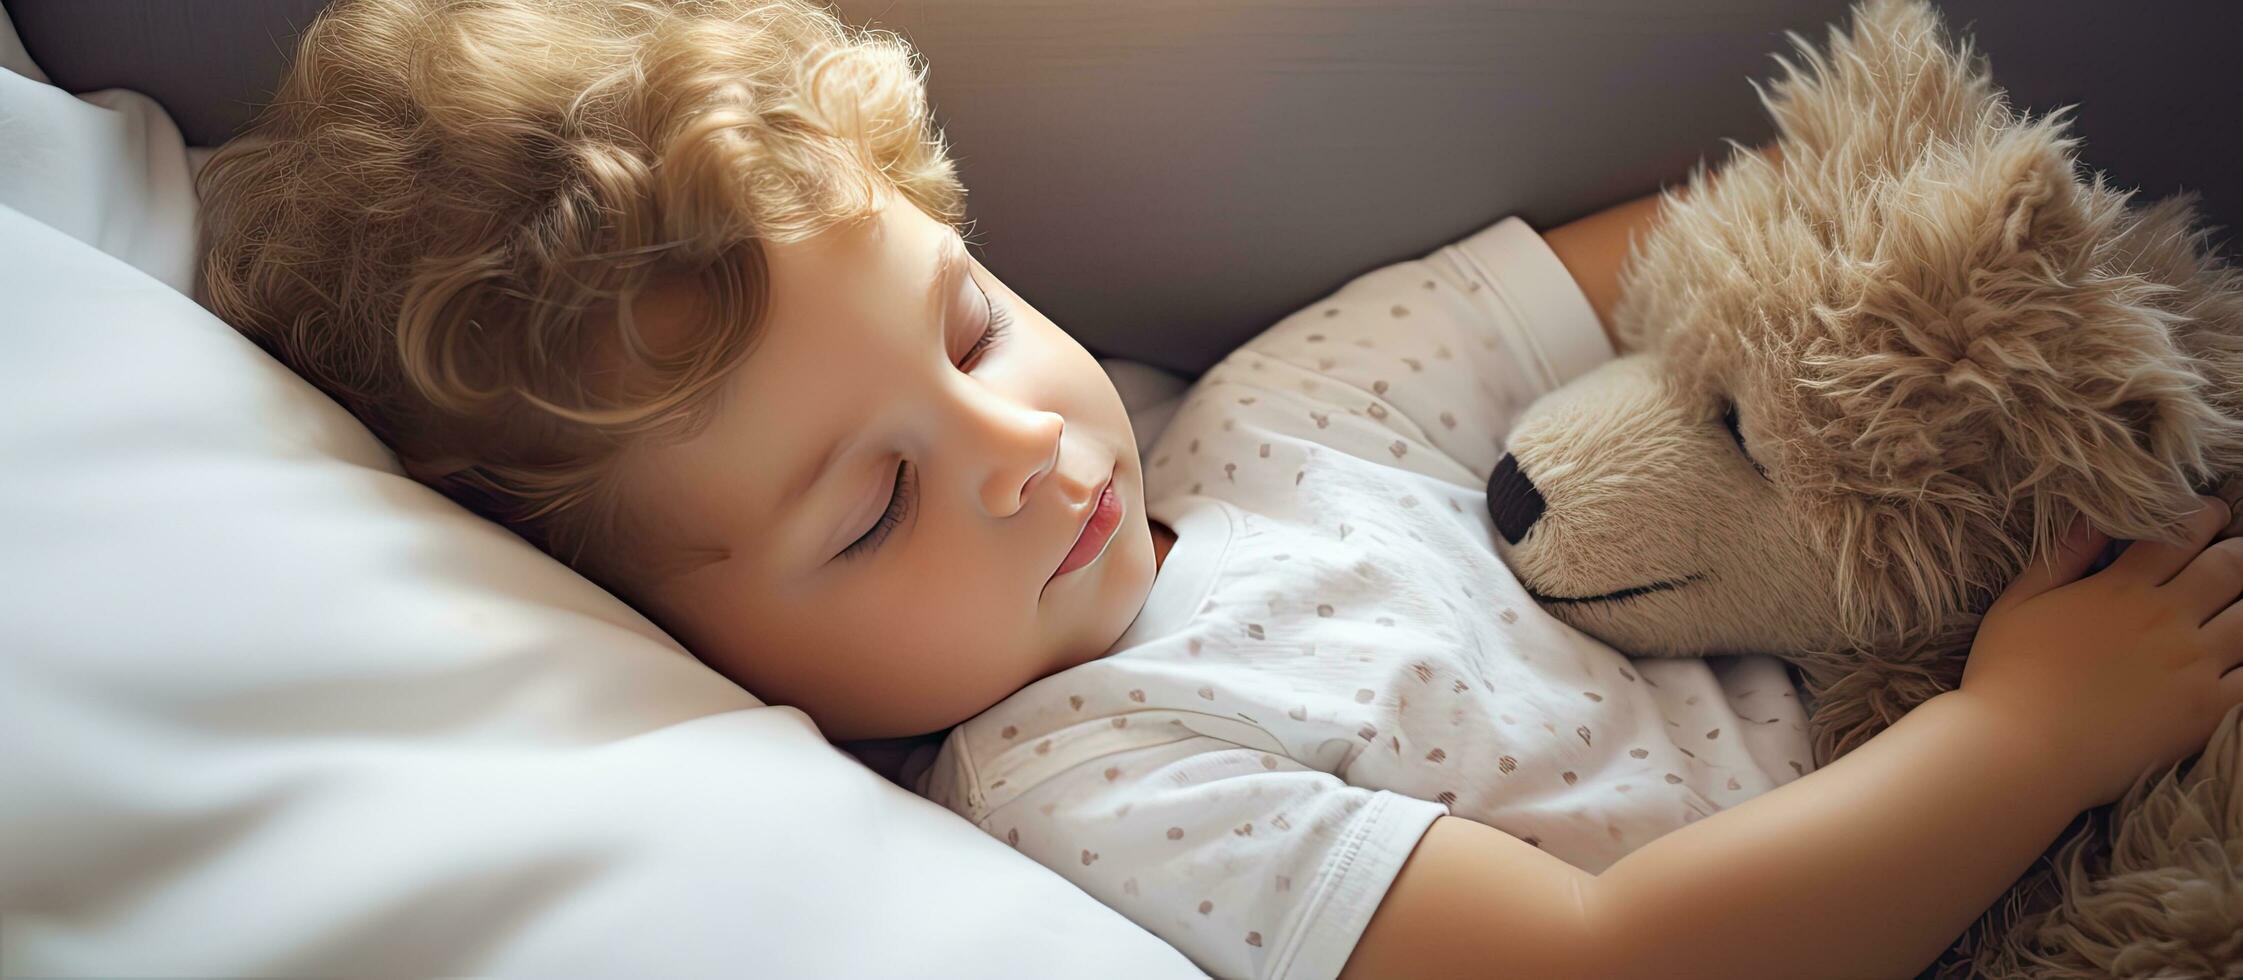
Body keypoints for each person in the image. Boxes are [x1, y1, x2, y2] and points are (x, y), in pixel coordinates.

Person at [191, 1, 2243, 977]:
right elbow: (1622, 969)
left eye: (974, 327)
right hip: (1976, 874)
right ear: (690, 640)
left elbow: (1664, 253)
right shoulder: (1093, 779)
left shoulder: (1264, 419)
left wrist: (1911, 307)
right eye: (869, 507)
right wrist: (2025, 739)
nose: (1022, 453)